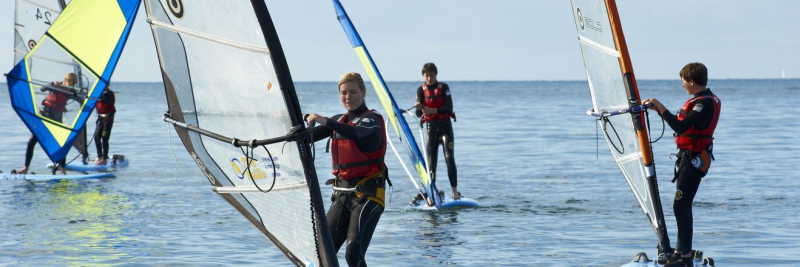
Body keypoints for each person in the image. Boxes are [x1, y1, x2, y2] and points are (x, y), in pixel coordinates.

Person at [305, 72, 388, 267]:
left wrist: (326, 121)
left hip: (368, 195)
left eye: (353, 91)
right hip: (342, 195)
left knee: (353, 255)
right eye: (343, 93)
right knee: (323, 253)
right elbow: (304, 138)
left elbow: (357, 132)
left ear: (363, 92)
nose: (348, 97)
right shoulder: (339, 121)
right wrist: (292, 121)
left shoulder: (372, 120)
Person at [645, 62, 721, 267]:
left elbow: (679, 125)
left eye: (684, 82)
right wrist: (659, 111)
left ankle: (685, 257)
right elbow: (681, 124)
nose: (683, 86)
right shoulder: (700, 100)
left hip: (694, 160)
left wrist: (660, 107)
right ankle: (680, 253)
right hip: (689, 158)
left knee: (680, 205)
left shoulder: (703, 103)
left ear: (693, 81)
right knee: (682, 206)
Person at [16, 73, 78, 175]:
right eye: (69, 81)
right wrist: (52, 83)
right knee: (31, 142)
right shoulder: (56, 86)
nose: (70, 83)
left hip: (56, 119)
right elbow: (42, 89)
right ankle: (25, 168)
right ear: (65, 80)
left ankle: (63, 170)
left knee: (61, 144)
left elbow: (79, 97)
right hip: (44, 116)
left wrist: (80, 94)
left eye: (73, 82)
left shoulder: (70, 91)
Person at [414, 62, 459, 201]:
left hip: (445, 127)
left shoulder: (444, 87)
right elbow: (417, 114)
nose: (429, 78)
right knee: (431, 161)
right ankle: (432, 191)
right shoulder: (420, 90)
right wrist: (419, 107)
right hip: (431, 127)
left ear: (436, 75)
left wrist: (432, 110)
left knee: (449, 158)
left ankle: (455, 192)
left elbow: (449, 108)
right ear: (423, 76)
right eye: (427, 76)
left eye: (432, 76)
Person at [93, 86, 116, 165]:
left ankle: (105, 158)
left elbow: (107, 99)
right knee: (96, 137)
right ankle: (99, 156)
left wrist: (100, 96)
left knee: (104, 137)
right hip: (101, 118)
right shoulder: (98, 94)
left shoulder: (109, 94)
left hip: (108, 118)